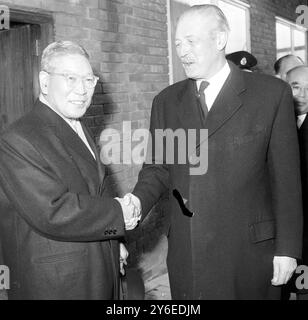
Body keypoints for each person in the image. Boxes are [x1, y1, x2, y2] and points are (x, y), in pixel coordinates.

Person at [125, 5, 303, 299]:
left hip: (249, 253)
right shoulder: (166, 101)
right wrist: (136, 203)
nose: (183, 51)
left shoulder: (270, 94)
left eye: (191, 41)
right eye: (178, 43)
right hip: (189, 252)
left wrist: (287, 249)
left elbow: (286, 180)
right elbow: (158, 169)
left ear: (220, 39)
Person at [0, 41, 139, 300]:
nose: (82, 90)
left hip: (94, 270)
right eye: (70, 78)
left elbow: (93, 191)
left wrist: (113, 243)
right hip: (58, 284)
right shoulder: (17, 139)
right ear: (44, 82)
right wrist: (120, 212)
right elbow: (53, 211)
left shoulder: (76, 124)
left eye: (89, 80)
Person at [285, 66, 308, 299]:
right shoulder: (274, 121)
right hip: (280, 229)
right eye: (296, 87)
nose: (302, 95)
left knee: (304, 290)